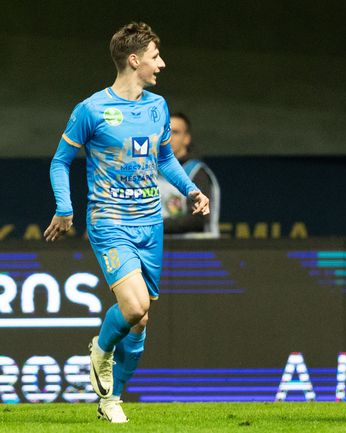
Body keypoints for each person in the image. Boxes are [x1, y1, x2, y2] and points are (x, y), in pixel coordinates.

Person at [44, 22, 209, 423]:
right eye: (155, 56)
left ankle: (110, 400)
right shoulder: (91, 110)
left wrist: (190, 190)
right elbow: (60, 161)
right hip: (109, 220)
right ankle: (100, 350)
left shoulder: (158, 106)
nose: (161, 64)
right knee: (134, 308)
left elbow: (164, 158)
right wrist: (65, 208)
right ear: (134, 60)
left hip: (150, 224)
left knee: (141, 319)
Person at [158, 112, 220, 238]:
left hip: (194, 248)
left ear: (186, 138)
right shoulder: (151, 171)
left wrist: (155, 226)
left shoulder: (196, 172)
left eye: (175, 132)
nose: (169, 137)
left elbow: (197, 220)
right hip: (161, 246)